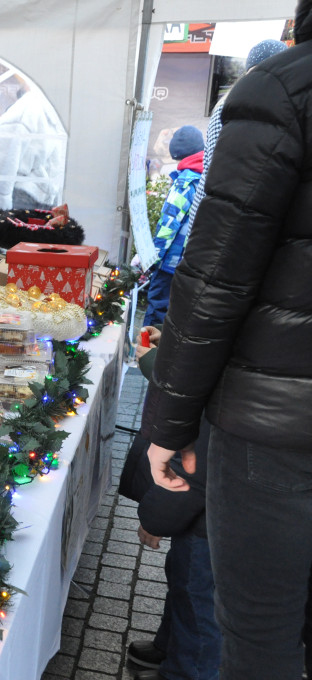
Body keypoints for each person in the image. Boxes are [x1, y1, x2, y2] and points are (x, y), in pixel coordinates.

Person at [146, 3, 312, 678]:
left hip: (276, 429)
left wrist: (169, 424)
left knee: (259, 640)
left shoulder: (284, 89)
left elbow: (214, 280)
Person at [120, 326, 219, 680]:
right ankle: (170, 647)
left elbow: (195, 465)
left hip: (209, 521)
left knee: (199, 602)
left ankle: (184, 671)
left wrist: (157, 515)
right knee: (182, 582)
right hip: (204, 514)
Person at [187, 39, 287, 227]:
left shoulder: (230, 103)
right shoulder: (231, 107)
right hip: (223, 215)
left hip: (220, 211)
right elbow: (218, 170)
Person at [143, 125, 204, 326]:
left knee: (157, 307)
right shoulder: (206, 176)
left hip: (170, 262)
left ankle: (147, 354)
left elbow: (170, 222)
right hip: (191, 261)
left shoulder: (185, 181)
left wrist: (153, 256)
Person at [0, 87, 65, 213]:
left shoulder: (48, 109)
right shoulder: (30, 109)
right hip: (24, 196)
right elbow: (3, 165)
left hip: (39, 197)